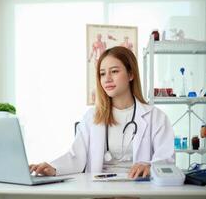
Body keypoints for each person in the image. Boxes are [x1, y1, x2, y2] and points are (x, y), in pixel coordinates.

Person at [29, 46, 175, 179]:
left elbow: (166, 158)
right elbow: (76, 157)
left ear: (131, 74)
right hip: (100, 190)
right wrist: (54, 168)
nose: (107, 79)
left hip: (139, 189)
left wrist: (150, 166)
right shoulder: (91, 117)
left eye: (114, 71)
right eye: (102, 74)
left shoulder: (156, 117)